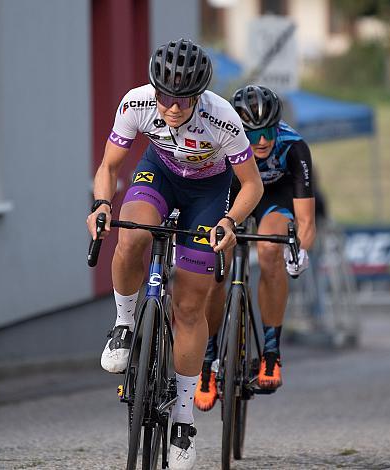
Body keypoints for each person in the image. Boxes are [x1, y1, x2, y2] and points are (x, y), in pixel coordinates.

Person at [86, 39, 263, 469]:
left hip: (209, 192)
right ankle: (125, 323)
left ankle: (183, 419)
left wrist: (230, 222)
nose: (171, 108)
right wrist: (102, 206)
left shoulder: (222, 119)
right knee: (132, 237)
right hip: (160, 172)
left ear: (198, 95)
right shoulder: (137, 104)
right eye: (164, 97)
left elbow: (253, 185)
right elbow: (110, 167)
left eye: (182, 100)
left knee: (188, 306)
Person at [194, 85, 316, 411]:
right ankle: (208, 358)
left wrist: (300, 250)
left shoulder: (294, 147)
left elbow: (306, 219)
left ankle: (271, 352)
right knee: (214, 263)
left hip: (275, 199)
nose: (262, 140)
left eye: (268, 130)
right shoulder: (222, 141)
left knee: (268, 251)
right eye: (253, 132)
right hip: (232, 196)